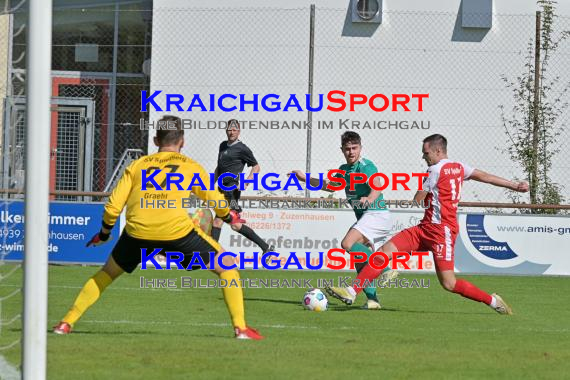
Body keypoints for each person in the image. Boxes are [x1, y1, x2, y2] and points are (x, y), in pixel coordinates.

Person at [53, 115, 264, 340]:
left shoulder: (136, 166)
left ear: (155, 140)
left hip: (137, 234)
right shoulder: (190, 166)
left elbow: (113, 207)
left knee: (106, 274)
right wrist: (230, 217)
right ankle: (240, 328)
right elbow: (215, 201)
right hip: (177, 233)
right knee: (228, 266)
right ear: (182, 141)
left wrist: (104, 234)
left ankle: (66, 323)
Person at [326, 134, 529, 315]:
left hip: (442, 233)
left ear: (438, 150)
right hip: (423, 228)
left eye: (426, 153)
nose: (424, 157)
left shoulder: (433, 171)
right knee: (385, 250)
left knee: (449, 284)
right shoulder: (459, 167)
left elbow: (418, 199)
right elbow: (485, 177)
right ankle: (352, 291)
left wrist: (423, 189)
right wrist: (514, 185)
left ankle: (493, 302)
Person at [291, 131, 398, 310]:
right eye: (347, 149)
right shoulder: (344, 170)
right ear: (342, 150)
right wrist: (304, 178)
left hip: (376, 213)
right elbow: (328, 186)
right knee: (360, 258)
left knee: (347, 243)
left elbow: (377, 184)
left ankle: (385, 268)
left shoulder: (365, 166)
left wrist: (370, 198)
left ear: (360, 148)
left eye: (354, 148)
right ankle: (373, 300)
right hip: (367, 217)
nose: (351, 152)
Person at [211, 119, 274, 264]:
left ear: (239, 131)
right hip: (221, 189)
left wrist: (247, 180)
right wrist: (210, 184)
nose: (231, 132)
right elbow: (218, 167)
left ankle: (211, 254)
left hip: (231, 190)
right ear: (226, 130)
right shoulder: (222, 145)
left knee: (220, 221)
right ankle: (266, 247)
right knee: (230, 223)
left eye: (234, 130)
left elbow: (256, 166)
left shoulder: (242, 148)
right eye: (229, 129)